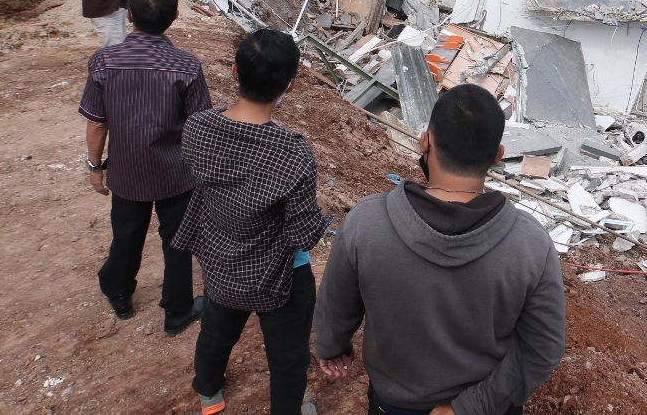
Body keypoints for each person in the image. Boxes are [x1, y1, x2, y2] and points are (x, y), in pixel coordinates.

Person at [313, 84, 566, 415]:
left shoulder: (366, 222)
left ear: (424, 141)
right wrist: (471, 406)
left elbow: (336, 306)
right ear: (498, 155)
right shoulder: (530, 243)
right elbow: (543, 347)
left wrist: (331, 347)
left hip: (394, 404)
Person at [173, 29, 330, 415]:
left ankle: (209, 393)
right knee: (288, 358)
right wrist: (319, 208)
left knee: (216, 332)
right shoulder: (291, 153)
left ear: (234, 71)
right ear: (290, 86)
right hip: (277, 277)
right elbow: (302, 235)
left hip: (221, 263)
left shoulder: (198, 128)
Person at [78, 0, 211, 336]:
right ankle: (177, 310)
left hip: (127, 170)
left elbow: (97, 123)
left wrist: (95, 167)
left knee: (126, 233)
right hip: (176, 173)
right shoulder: (187, 66)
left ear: (128, 13)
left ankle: (119, 294)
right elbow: (199, 124)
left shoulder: (103, 62)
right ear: (176, 15)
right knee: (178, 239)